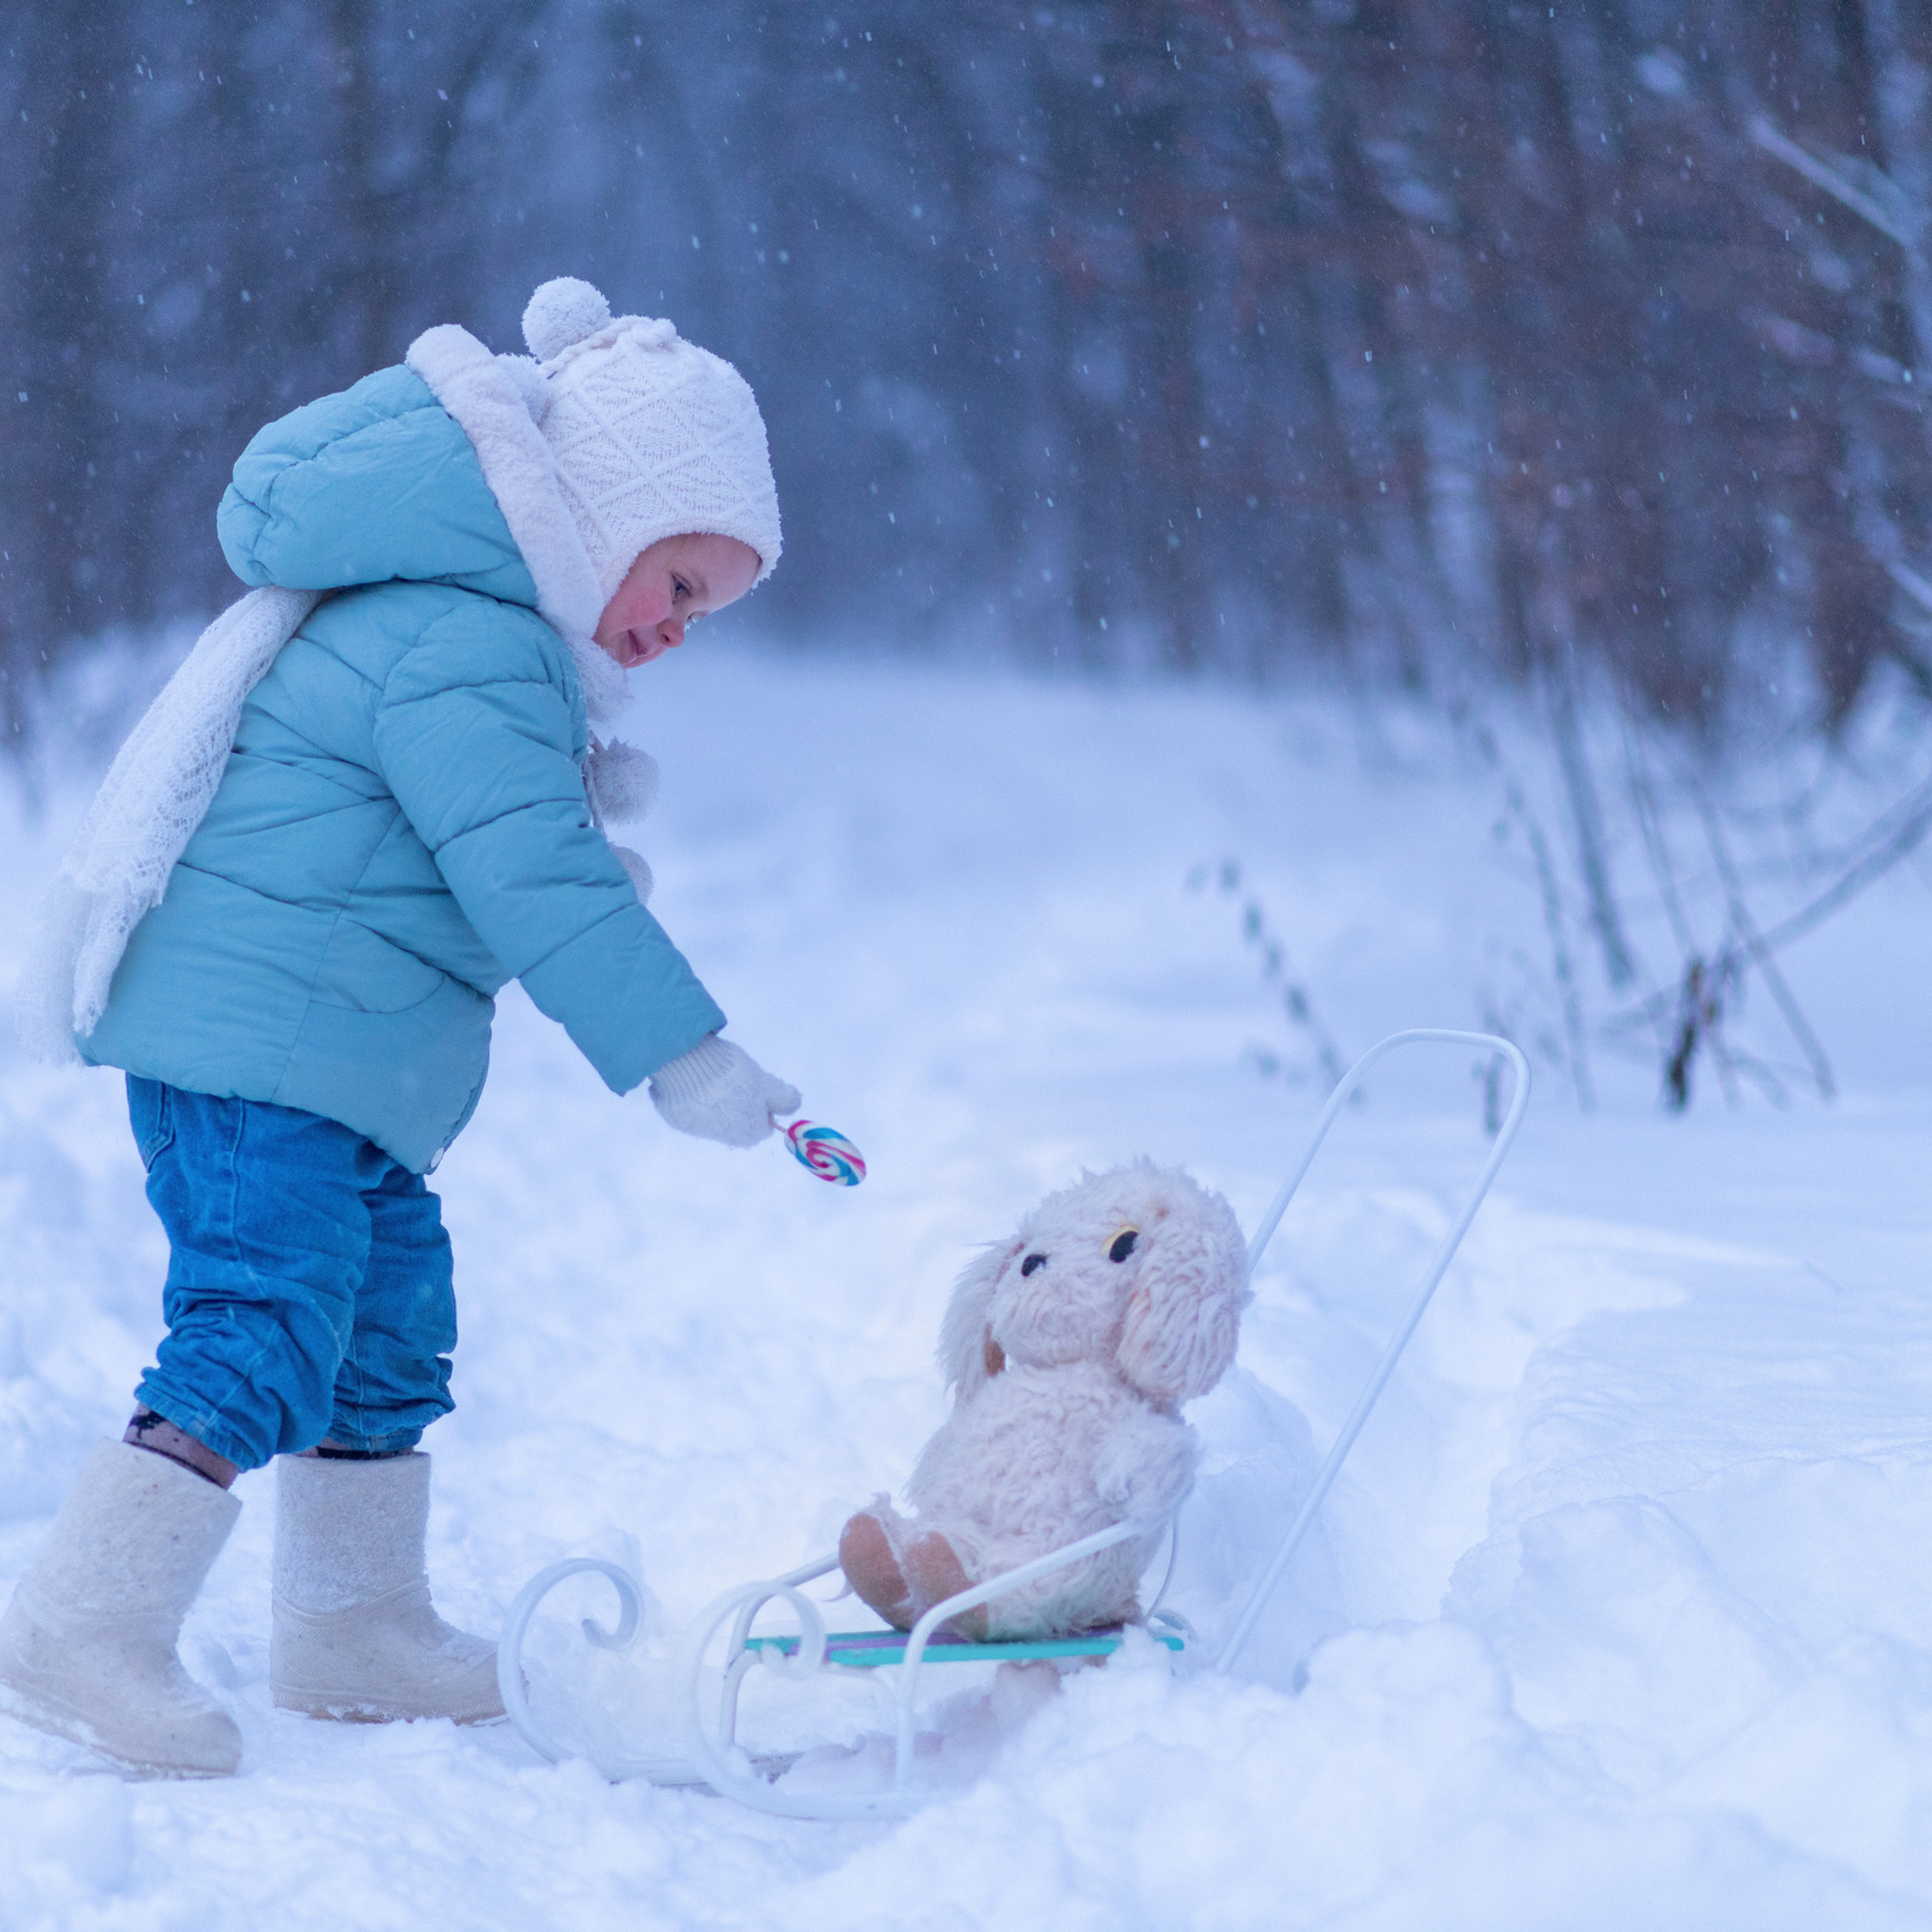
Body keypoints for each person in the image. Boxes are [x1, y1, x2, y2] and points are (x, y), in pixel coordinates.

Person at [0, 277, 800, 1777]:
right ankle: (76, 1624)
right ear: (613, 508)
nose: (681, 630)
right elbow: (530, 874)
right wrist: (683, 1049)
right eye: (682, 584)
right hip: (257, 1049)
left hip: (323, 1056)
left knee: (386, 1321)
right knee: (267, 1317)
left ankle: (350, 1620)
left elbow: (470, 849)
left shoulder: (469, 627)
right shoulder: (462, 633)